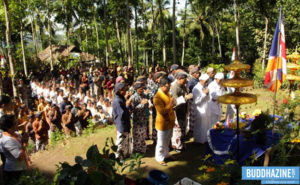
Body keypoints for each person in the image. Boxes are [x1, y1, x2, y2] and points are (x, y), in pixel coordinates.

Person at [0, 115, 30, 184]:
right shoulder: (7, 140)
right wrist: (24, 143)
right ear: (10, 127)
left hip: (20, 167)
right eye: (15, 122)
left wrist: (25, 134)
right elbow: (19, 157)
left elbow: (22, 142)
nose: (18, 123)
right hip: (14, 171)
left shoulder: (15, 133)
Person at [153, 76, 176, 166]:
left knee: (167, 140)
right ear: (162, 86)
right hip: (162, 123)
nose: (169, 88)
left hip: (170, 120)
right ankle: (159, 157)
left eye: (169, 86)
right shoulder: (157, 97)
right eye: (167, 86)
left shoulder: (167, 93)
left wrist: (172, 104)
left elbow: (169, 106)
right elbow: (161, 111)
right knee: (161, 142)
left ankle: (166, 154)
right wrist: (170, 105)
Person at [170, 72, 193, 153]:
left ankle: (182, 144)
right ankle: (176, 146)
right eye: (184, 79)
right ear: (179, 78)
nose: (185, 81)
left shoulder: (183, 86)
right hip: (177, 111)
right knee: (177, 130)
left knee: (183, 128)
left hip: (183, 109)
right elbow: (174, 101)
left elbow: (186, 94)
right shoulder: (174, 87)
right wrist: (186, 97)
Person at [113, 82, 131, 159]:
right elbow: (122, 114)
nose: (126, 92)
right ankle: (118, 157)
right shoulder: (117, 101)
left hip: (125, 123)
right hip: (121, 124)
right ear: (120, 91)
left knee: (126, 140)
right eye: (124, 90)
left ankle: (125, 154)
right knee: (120, 141)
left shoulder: (121, 98)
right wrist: (127, 106)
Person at [130, 82, 149, 154]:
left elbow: (146, 103)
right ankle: (137, 149)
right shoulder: (133, 97)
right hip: (137, 120)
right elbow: (133, 110)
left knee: (143, 134)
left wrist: (147, 104)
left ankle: (142, 147)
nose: (141, 90)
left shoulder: (144, 95)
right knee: (137, 135)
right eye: (140, 89)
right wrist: (142, 104)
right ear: (136, 89)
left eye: (142, 89)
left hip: (143, 118)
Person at [192, 74, 211, 144]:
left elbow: (208, 98)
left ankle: (204, 139)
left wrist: (207, 94)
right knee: (199, 126)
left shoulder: (205, 87)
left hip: (206, 108)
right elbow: (196, 101)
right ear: (201, 80)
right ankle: (198, 140)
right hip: (199, 109)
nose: (206, 83)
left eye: (207, 82)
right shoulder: (196, 88)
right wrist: (204, 94)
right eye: (206, 81)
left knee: (205, 125)